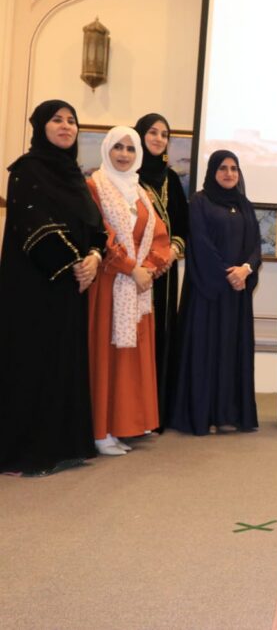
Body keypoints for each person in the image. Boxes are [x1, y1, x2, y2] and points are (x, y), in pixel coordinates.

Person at [0, 100, 106, 475]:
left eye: (71, 121)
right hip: (34, 287)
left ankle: (64, 446)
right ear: (40, 126)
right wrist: (75, 263)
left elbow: (96, 227)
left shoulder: (75, 176)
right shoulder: (26, 170)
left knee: (64, 363)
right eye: (57, 120)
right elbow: (34, 224)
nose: (66, 126)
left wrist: (94, 257)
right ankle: (27, 452)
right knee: (33, 363)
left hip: (70, 287)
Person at [85, 126, 172, 455]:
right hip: (109, 283)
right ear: (106, 150)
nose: (124, 154)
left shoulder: (140, 192)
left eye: (130, 148)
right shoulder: (95, 186)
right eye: (117, 147)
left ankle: (123, 424)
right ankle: (101, 431)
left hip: (137, 287)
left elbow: (159, 236)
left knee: (129, 358)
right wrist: (130, 268)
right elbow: (99, 234)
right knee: (107, 355)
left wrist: (148, 268)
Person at [169, 150, 261, 435]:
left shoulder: (244, 205)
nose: (229, 174)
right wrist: (227, 274)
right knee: (205, 352)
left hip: (237, 293)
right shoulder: (200, 201)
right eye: (223, 168)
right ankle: (203, 414)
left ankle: (227, 414)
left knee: (231, 352)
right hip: (207, 292)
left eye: (234, 168)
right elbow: (200, 242)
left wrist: (245, 269)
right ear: (212, 171)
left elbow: (255, 245)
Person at [134, 113, 189, 431]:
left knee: (162, 334)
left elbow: (182, 225)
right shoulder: (127, 175)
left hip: (165, 271)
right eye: (152, 132)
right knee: (136, 336)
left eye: (164, 134)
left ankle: (158, 413)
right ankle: (133, 413)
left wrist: (172, 252)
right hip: (134, 272)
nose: (158, 138)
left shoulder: (171, 179)